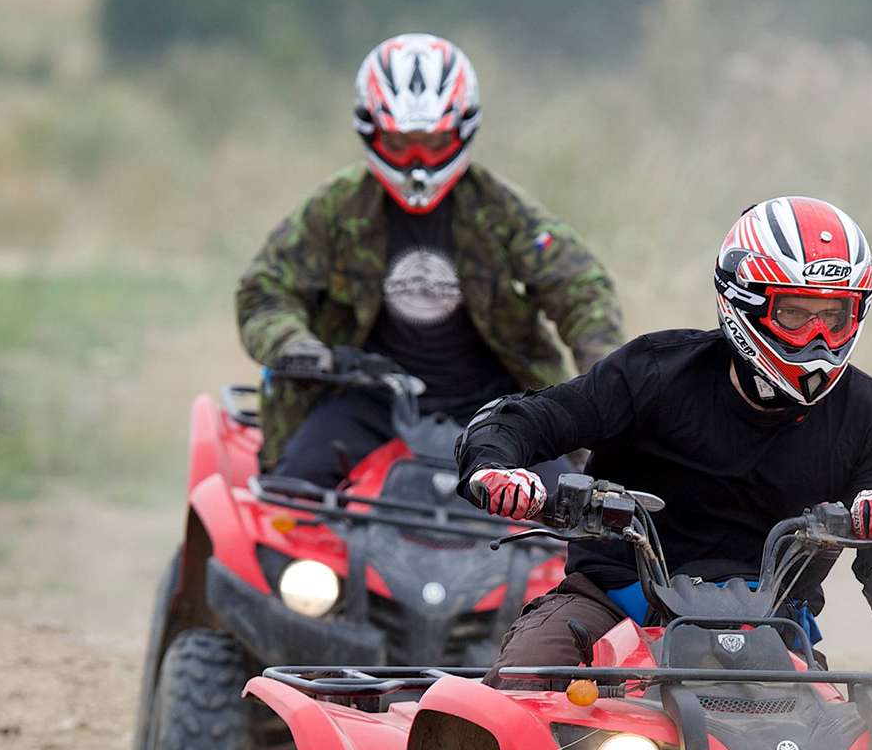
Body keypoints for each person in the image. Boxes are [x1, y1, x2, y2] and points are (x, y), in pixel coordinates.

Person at [456, 195, 872, 672]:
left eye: (834, 316)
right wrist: (494, 467)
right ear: (743, 304)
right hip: (615, 608)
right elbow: (529, 418)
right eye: (795, 313)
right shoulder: (653, 372)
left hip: (775, 633)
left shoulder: (870, 411)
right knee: (529, 674)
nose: (818, 337)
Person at [237, 32, 623, 486]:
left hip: (496, 406)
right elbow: (265, 288)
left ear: (463, 131)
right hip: (367, 401)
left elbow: (580, 286)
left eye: (433, 143)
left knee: (569, 510)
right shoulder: (336, 208)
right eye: (402, 145)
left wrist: (602, 381)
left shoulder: (500, 210)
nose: (417, 163)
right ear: (371, 133)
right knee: (293, 492)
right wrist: (293, 346)